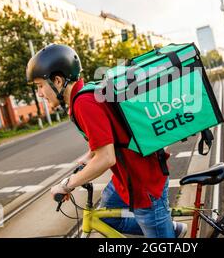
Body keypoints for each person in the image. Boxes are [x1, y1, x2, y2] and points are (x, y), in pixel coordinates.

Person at [26, 44, 187, 238]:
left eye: (40, 86)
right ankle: (172, 229)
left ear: (58, 81)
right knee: (104, 217)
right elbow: (110, 134)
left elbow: (106, 158)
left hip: (143, 183)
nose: (40, 94)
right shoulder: (84, 94)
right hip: (124, 178)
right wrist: (89, 156)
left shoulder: (83, 103)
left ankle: (165, 230)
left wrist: (68, 184)